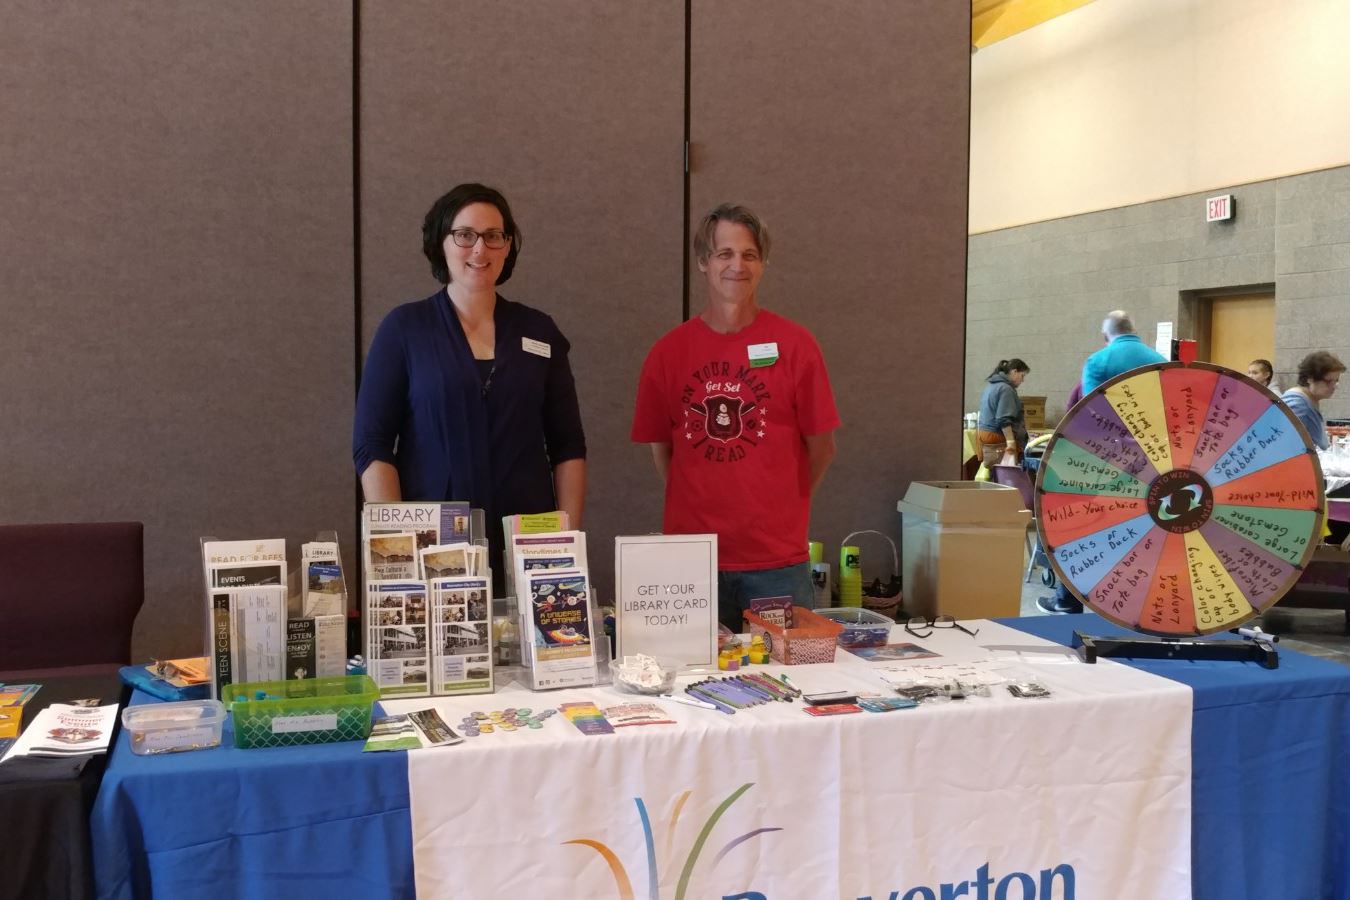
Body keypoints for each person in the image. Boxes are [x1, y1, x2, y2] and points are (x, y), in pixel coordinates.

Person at [353, 183, 587, 595]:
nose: (480, 250)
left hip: (529, 544)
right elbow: (371, 444)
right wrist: (394, 549)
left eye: (494, 236)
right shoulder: (405, 329)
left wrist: (564, 542)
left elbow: (568, 446)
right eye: (465, 235)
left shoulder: (539, 331)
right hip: (433, 549)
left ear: (508, 246)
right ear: (440, 243)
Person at [631, 203, 840, 631]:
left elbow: (822, 448)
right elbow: (663, 453)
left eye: (749, 254)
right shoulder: (667, 354)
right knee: (690, 684)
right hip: (693, 560)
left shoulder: (796, 346)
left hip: (777, 562)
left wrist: (783, 502)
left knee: (795, 689)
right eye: (724, 253)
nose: (737, 265)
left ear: (762, 263)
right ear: (704, 263)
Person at [1038, 311, 1165, 615]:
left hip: (1103, 460)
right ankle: (1134, 603)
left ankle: (1067, 600)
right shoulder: (1160, 360)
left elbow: (1088, 410)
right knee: (1142, 530)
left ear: (1105, 335)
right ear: (1135, 330)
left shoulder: (1099, 361)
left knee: (1077, 526)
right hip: (1153, 460)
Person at [1081, 310, 1167, 394]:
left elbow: (1092, 406)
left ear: (1106, 335)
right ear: (1133, 330)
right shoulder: (1162, 361)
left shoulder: (1096, 362)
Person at [1280, 351, 1345, 450]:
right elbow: (1285, 448)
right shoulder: (1299, 407)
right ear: (1310, 379)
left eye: (1336, 381)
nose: (1335, 386)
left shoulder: (1308, 400)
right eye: (1328, 381)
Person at [976, 359, 1030, 469]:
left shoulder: (992, 385)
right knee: (1005, 473)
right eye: (1022, 376)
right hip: (997, 435)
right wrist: (1010, 442)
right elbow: (1003, 419)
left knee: (994, 471)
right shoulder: (1006, 389)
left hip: (984, 433)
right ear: (1014, 372)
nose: (1022, 380)